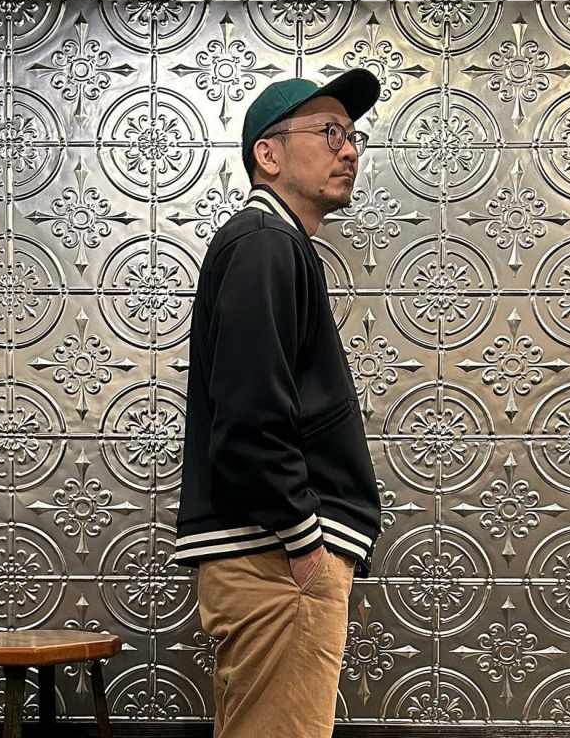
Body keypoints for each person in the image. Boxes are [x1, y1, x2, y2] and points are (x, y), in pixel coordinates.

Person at [174, 68, 384, 738]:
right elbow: (249, 419)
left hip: (268, 556)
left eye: (351, 136)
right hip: (274, 561)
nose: (348, 150)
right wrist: (304, 542)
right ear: (268, 154)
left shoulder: (272, 242)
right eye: (329, 133)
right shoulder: (265, 241)